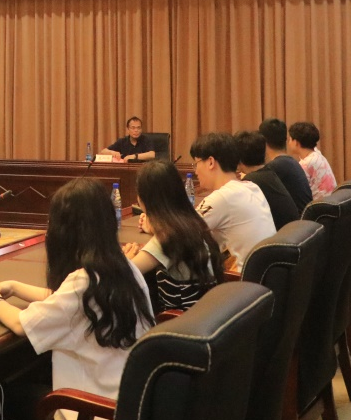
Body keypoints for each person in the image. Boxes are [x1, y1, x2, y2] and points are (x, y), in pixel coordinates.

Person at [0, 177, 154, 420]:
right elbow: (64, 302)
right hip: (129, 410)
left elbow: (21, 324)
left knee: (4, 397)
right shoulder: (123, 267)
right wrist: (15, 287)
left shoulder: (83, 282)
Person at [123, 160, 222, 312]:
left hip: (180, 321)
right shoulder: (191, 222)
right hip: (206, 316)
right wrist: (154, 227)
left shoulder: (167, 239)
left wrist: (126, 259)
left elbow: (123, 275)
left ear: (143, 199)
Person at [189, 132, 275, 273]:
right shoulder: (251, 187)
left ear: (210, 162)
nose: (196, 171)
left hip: (240, 280)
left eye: (196, 163)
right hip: (264, 277)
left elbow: (181, 232)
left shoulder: (223, 197)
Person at [234, 130, 299, 229]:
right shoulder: (269, 173)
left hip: (279, 235)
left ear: (238, 159)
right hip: (292, 232)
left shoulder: (250, 183)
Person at [259, 118, 312, 211]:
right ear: (286, 139)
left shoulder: (274, 168)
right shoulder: (291, 162)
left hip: (296, 219)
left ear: (263, 141)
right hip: (305, 218)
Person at [287, 121, 338, 202]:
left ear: (296, 142)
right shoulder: (317, 154)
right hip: (331, 201)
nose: (288, 143)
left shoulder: (305, 164)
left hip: (319, 206)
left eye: (290, 139)